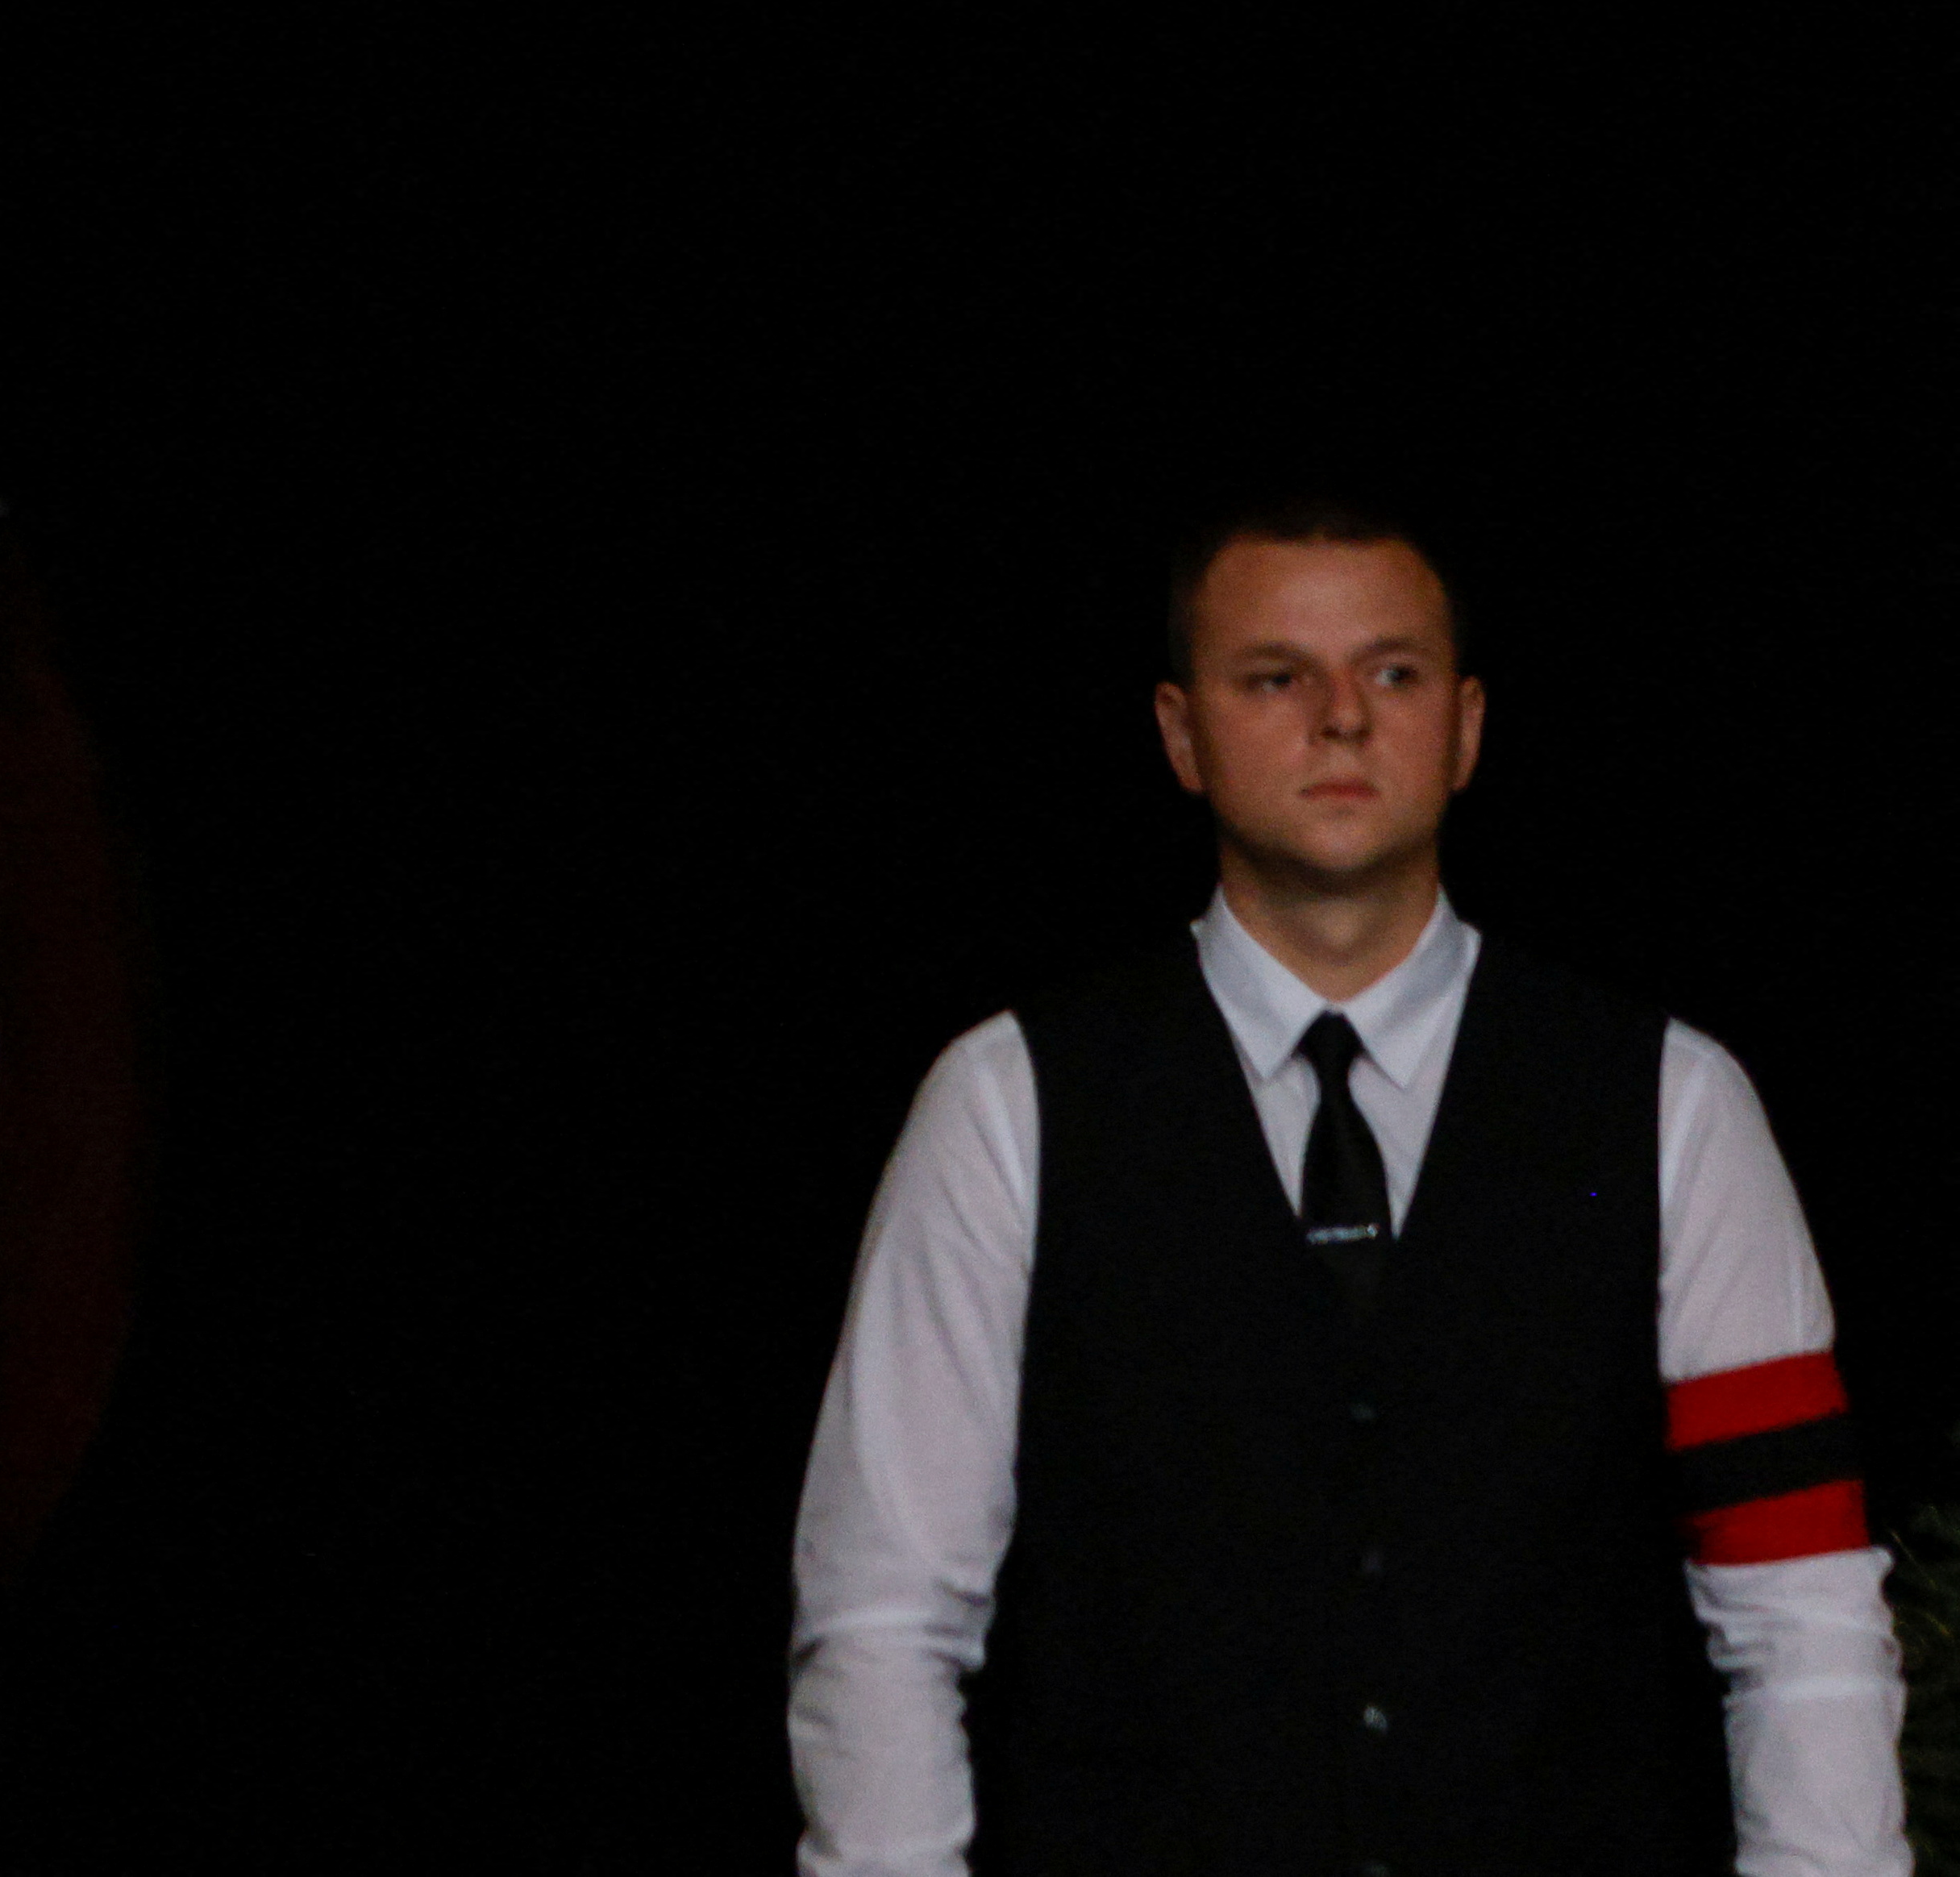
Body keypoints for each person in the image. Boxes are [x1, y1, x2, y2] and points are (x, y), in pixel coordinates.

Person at [786, 502, 1904, 1875]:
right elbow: (885, 1615)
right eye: (1275, 677)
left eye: (1393, 673)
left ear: (1468, 726)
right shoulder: (1007, 1106)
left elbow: (1801, 1607)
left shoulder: (1675, 1105)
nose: (1341, 719)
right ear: (1182, 734)